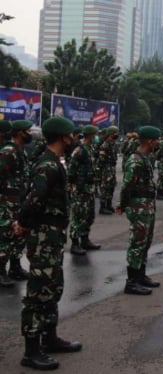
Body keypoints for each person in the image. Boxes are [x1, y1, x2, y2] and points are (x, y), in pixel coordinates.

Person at [13, 117, 82, 371]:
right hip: (43, 236)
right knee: (38, 291)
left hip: (53, 236)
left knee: (52, 287)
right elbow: (34, 199)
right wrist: (22, 223)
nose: (74, 136)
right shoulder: (47, 165)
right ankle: (31, 351)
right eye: (71, 133)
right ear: (63, 137)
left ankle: (49, 338)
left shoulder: (54, 162)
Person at [116, 126, 162, 296]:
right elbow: (127, 185)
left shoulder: (145, 158)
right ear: (150, 141)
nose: (158, 143)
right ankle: (132, 282)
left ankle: (141, 275)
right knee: (137, 242)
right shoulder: (135, 160)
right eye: (156, 140)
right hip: (138, 206)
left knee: (145, 241)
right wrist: (123, 205)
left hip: (146, 205)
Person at [0, 120, 32, 287]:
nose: (31, 133)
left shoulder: (21, 151)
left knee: (19, 235)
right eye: (28, 130)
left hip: (19, 200)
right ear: (20, 132)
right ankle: (0, 271)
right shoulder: (8, 151)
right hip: (6, 201)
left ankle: (15, 267)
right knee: (5, 235)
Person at [67, 125, 102, 256]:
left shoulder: (91, 149)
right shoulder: (79, 150)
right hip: (80, 189)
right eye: (95, 134)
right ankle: (75, 243)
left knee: (89, 215)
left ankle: (85, 240)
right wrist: (73, 185)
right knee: (78, 216)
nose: (97, 137)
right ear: (90, 135)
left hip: (89, 188)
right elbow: (71, 170)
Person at [97, 126, 119, 215]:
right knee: (104, 188)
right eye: (115, 134)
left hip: (112, 168)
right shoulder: (105, 145)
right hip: (106, 169)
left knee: (111, 187)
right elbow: (101, 160)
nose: (116, 136)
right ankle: (102, 207)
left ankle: (109, 205)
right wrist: (99, 174)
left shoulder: (113, 144)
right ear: (110, 134)